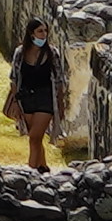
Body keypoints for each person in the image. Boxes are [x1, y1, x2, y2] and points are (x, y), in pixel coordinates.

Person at [4, 13, 66, 171]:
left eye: (45, 31)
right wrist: (17, 102)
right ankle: (43, 167)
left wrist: (60, 104)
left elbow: (59, 81)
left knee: (34, 137)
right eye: (40, 31)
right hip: (26, 99)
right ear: (31, 34)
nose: (44, 34)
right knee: (36, 138)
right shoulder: (20, 53)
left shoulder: (52, 54)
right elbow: (14, 79)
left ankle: (30, 172)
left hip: (45, 99)